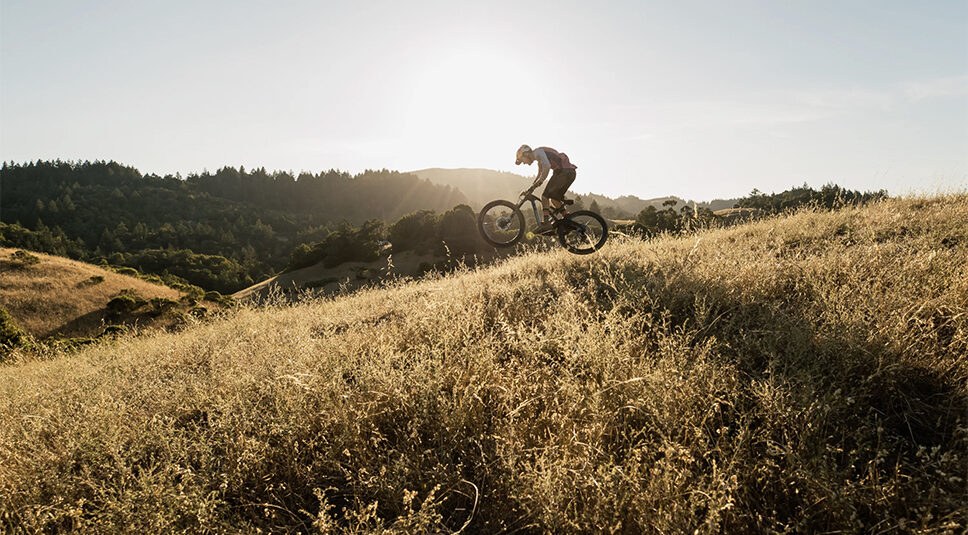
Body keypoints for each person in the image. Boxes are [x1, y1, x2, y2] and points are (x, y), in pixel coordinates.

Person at [515, 144, 577, 233]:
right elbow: (540, 174)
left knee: (545, 197)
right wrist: (531, 188)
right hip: (568, 173)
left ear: (526, 154)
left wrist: (540, 182)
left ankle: (547, 223)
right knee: (554, 200)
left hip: (563, 172)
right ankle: (568, 221)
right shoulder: (539, 159)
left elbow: (547, 167)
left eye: (522, 160)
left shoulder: (538, 152)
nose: (524, 163)